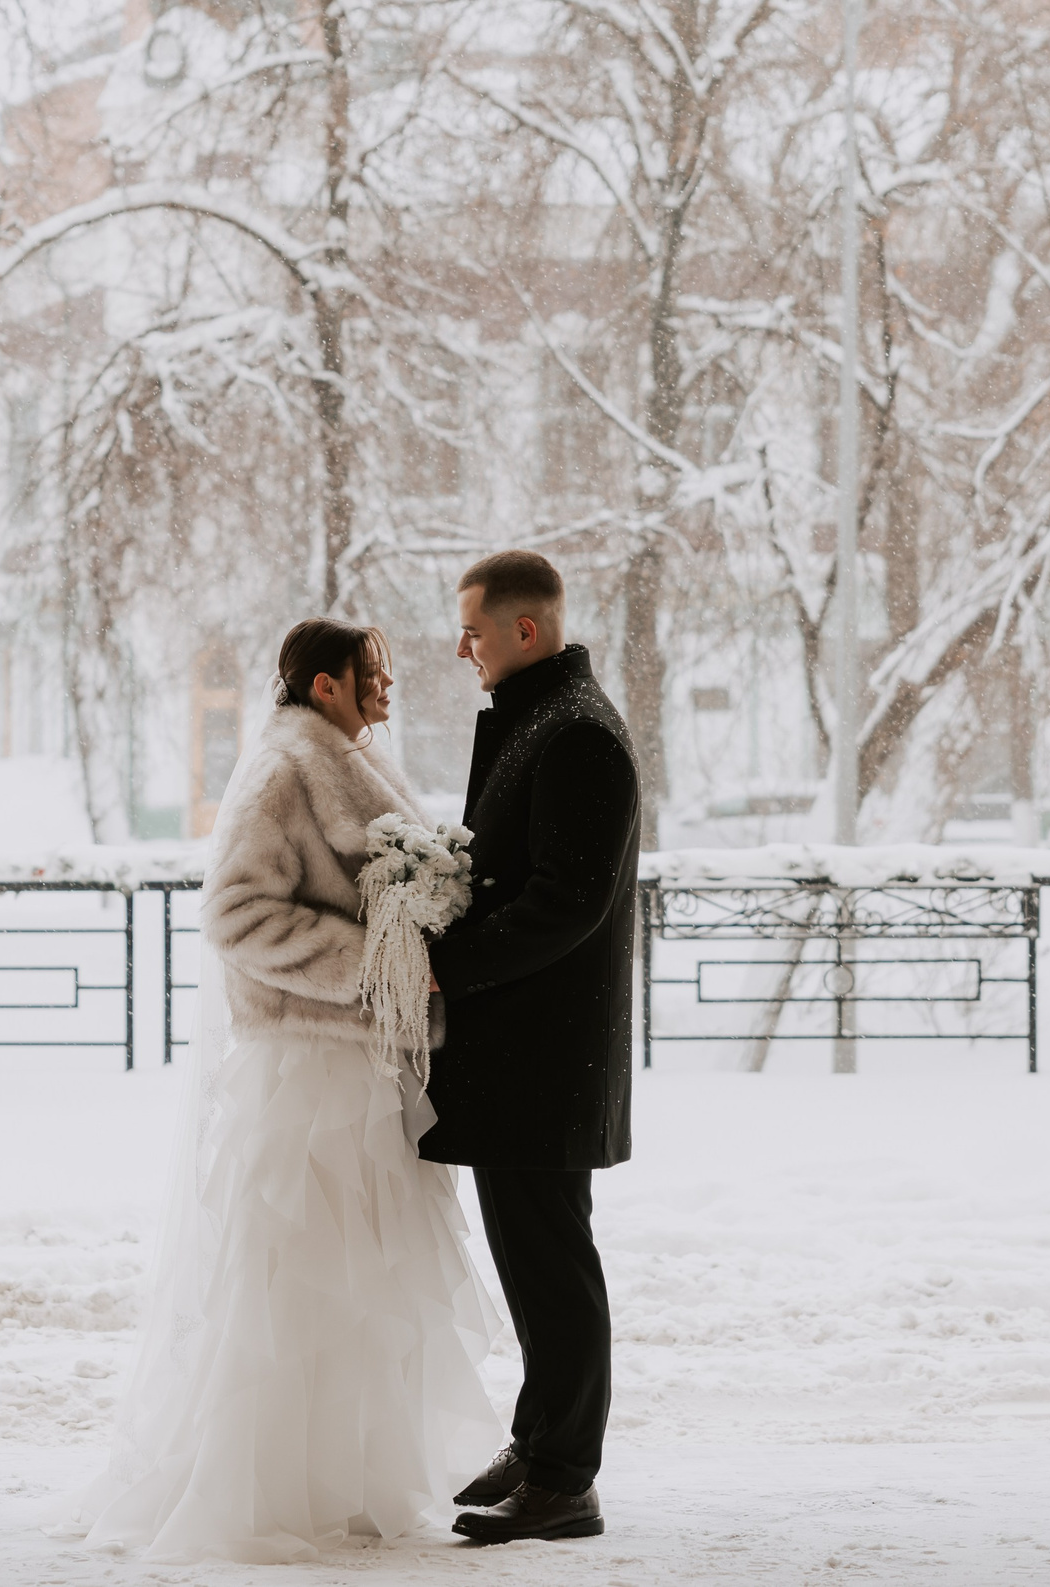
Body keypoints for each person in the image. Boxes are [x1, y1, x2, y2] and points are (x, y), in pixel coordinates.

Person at [64, 618, 501, 1562]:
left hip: (358, 1065)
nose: (387, 683)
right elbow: (236, 911)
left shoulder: (341, 761)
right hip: (308, 1071)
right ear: (323, 683)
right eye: (370, 671)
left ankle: (339, 1478)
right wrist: (373, 964)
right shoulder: (284, 770)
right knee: (296, 1278)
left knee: (361, 1281)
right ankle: (264, 1483)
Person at [422, 549, 641, 1545]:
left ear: (525, 629)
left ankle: (566, 1478)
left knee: (553, 1262)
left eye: (472, 630)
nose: (460, 648)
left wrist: (446, 966)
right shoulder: (544, 723)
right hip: (528, 1055)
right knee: (534, 1256)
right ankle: (541, 1440)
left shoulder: (576, 735)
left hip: (546, 1057)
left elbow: (564, 903)